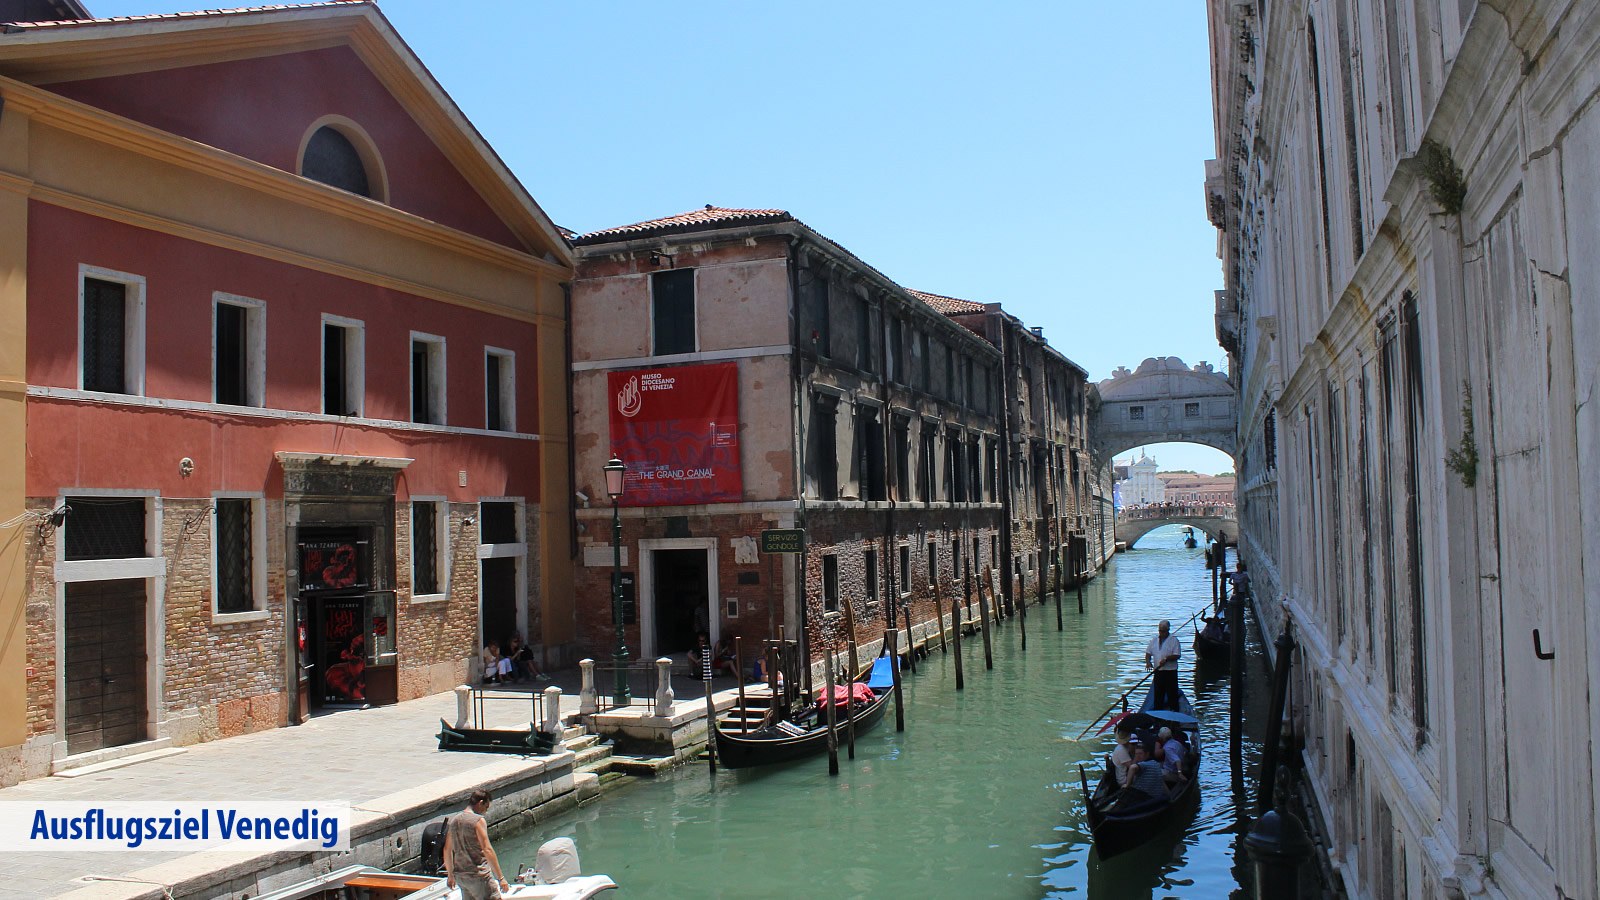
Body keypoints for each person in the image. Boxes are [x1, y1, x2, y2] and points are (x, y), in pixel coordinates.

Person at [443, 788, 510, 900]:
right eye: (486, 807)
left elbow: (447, 850)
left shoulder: (454, 821)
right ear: (480, 803)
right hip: (479, 877)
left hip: (462, 877)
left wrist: (450, 875)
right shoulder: (478, 821)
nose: (485, 811)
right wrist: (501, 878)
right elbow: (487, 849)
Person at [1146, 619, 1182, 711]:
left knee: (1172, 695)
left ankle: (1174, 716)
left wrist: (1166, 659)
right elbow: (1148, 653)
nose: (1161, 633)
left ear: (1167, 630)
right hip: (1158, 672)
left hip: (1170, 672)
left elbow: (1177, 655)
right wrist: (1148, 662)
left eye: (1163, 631)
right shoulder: (1154, 640)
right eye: (1160, 631)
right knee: (1158, 696)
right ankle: (1158, 718)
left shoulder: (1174, 640)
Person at [1117, 743, 1168, 807]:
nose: (1138, 756)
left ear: (1147, 754)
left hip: (1145, 798)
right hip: (1154, 798)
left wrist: (1127, 785)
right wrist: (1169, 796)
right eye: (1136, 754)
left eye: (1140, 754)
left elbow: (1132, 767)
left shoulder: (1144, 764)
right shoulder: (1156, 764)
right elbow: (1162, 782)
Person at [1109, 723, 1137, 788]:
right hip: (1123, 780)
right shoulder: (1121, 750)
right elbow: (1132, 767)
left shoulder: (1126, 747)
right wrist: (1136, 754)